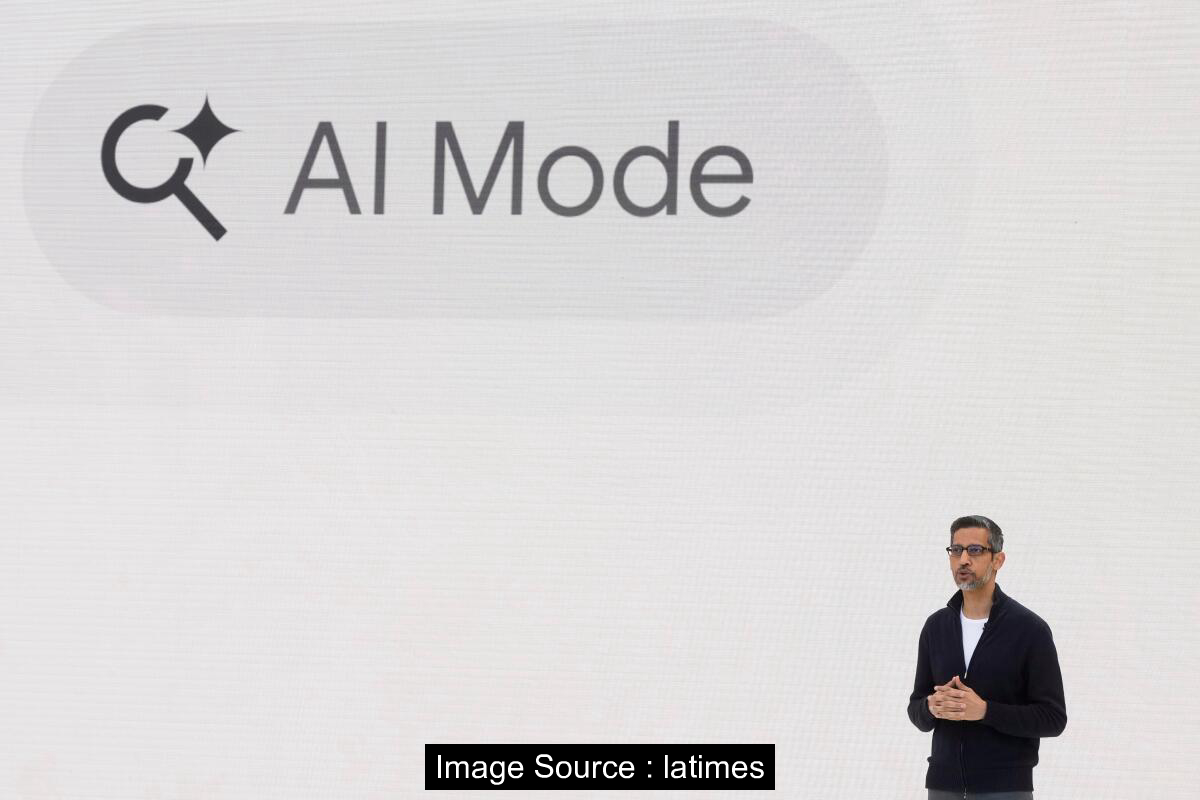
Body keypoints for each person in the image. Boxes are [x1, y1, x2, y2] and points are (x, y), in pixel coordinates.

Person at [907, 515, 1067, 799]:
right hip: (943, 786)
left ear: (998, 560)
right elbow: (916, 709)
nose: (963, 560)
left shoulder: (1030, 630)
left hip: (1005, 788)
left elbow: (1053, 718)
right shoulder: (936, 627)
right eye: (956, 550)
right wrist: (931, 706)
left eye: (975, 550)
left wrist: (984, 711)